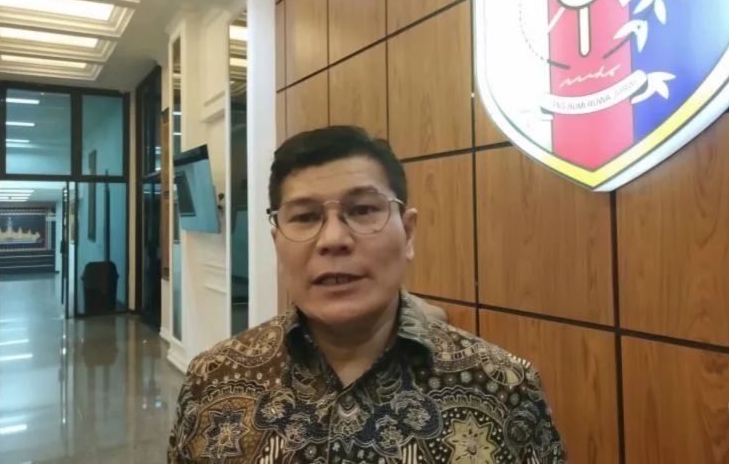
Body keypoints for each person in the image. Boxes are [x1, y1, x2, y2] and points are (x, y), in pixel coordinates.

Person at [168, 126, 566, 463]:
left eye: (362, 210)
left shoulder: (506, 387)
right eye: (305, 217)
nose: (334, 239)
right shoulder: (212, 380)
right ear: (277, 241)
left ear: (408, 233)